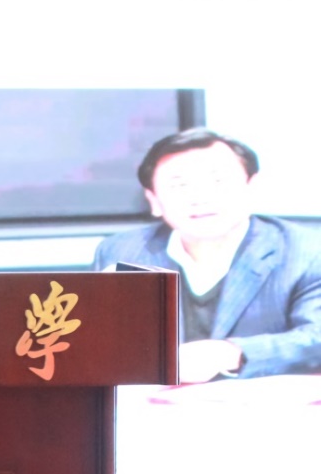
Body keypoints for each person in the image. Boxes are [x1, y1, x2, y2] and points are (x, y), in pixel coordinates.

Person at [93, 128, 321, 383]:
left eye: (218, 182)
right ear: (153, 201)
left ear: (251, 188)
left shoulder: (308, 251)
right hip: (156, 402)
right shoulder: (123, 252)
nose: (200, 198)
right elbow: (96, 343)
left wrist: (231, 354)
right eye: (180, 185)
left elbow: (316, 338)